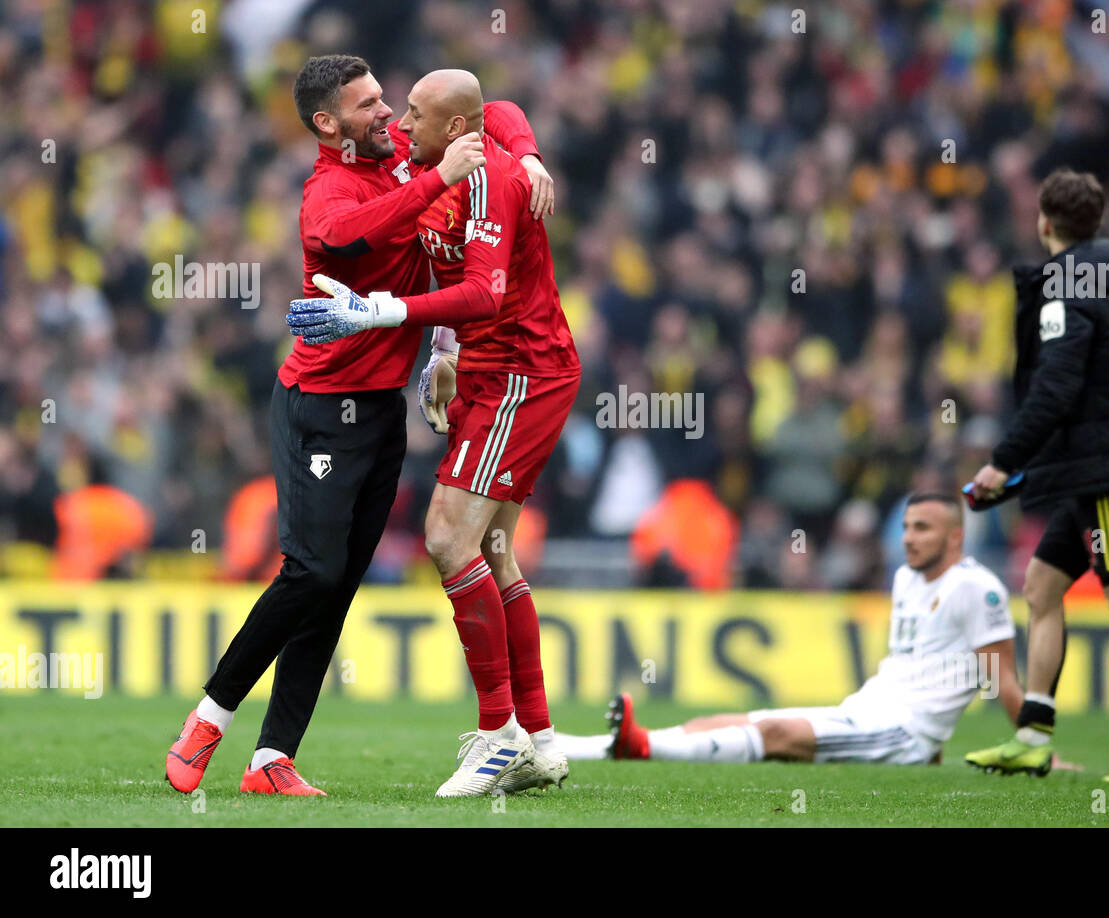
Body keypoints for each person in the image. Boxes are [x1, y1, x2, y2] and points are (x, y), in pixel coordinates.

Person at [165, 55, 550, 796]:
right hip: (317, 407)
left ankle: (272, 759)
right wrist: (439, 180)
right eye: (369, 105)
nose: (388, 115)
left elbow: (490, 106)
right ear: (325, 123)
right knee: (310, 569)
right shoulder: (328, 191)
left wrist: (526, 156)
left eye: (387, 101)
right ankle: (210, 715)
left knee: (336, 584)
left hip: (378, 411)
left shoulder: (400, 152)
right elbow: (346, 238)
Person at [286, 70, 581, 796]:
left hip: (522, 370)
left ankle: (498, 734)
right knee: (494, 550)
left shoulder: (487, 179)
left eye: (412, 112)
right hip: (485, 369)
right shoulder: (424, 165)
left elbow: (485, 292)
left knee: (448, 538)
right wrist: (445, 353)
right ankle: (540, 739)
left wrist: (383, 313)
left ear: (454, 130)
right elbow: (503, 105)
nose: (398, 121)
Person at [965, 168, 1109, 781]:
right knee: (1041, 586)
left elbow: (1055, 389)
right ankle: (1033, 735)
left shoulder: (1065, 286)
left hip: (1104, 471)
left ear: (1044, 221)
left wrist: (1003, 462)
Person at [555, 494, 1027, 767]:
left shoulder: (977, 588)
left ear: (955, 537)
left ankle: (642, 745)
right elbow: (921, 668)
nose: (908, 537)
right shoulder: (905, 579)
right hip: (867, 708)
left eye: (923, 528)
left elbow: (1001, 676)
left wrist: (1033, 744)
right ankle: (577, 747)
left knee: (777, 733)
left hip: (901, 733)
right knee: (732, 721)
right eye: (906, 526)